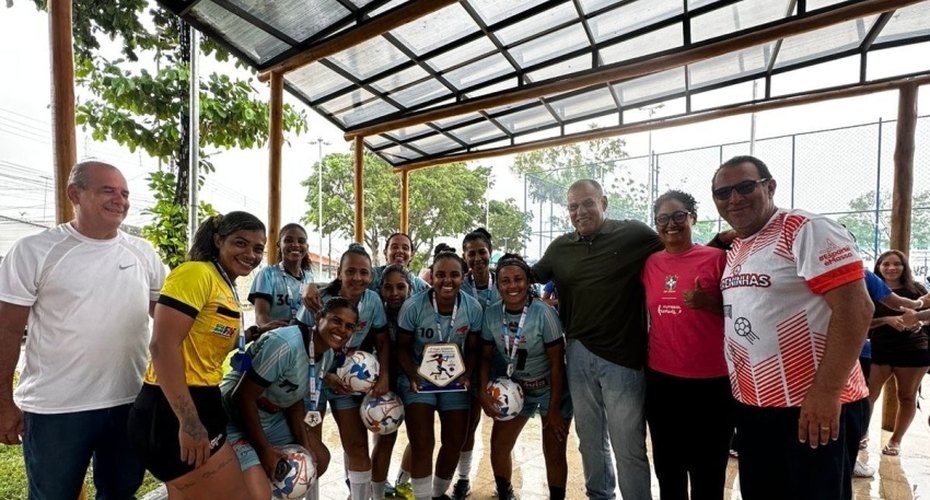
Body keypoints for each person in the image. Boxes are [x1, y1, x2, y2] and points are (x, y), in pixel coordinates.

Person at [0, 161, 166, 499]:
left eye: (125, 193)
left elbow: (167, 320)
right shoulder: (34, 251)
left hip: (128, 401)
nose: (120, 200)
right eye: (108, 190)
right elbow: (6, 330)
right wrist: (3, 401)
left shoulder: (143, 253)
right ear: (74, 193)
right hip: (56, 410)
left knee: (120, 493)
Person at [712, 155, 872, 500]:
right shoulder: (739, 244)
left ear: (770, 187)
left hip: (811, 405)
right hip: (755, 405)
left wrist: (826, 393)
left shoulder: (806, 228)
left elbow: (856, 308)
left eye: (744, 187)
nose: (734, 198)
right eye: (723, 193)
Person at [531, 178, 662, 500]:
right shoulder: (561, 247)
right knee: (589, 440)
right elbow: (528, 276)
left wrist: (719, 241)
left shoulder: (634, 234)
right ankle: (599, 495)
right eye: (573, 206)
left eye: (588, 203)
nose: (580, 211)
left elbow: (676, 249)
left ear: (604, 202)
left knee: (628, 445)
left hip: (623, 359)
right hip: (577, 353)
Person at [127, 211, 268, 499]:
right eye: (240, 243)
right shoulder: (196, 273)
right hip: (173, 408)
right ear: (218, 240)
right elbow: (162, 346)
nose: (250, 254)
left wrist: (252, 334)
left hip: (201, 402)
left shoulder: (222, 283)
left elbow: (203, 339)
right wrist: (189, 423)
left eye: (258, 248)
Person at [640, 190, 733, 500]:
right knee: (668, 468)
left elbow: (745, 311)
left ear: (693, 217)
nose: (671, 224)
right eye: (663, 219)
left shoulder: (718, 259)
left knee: (708, 469)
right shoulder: (650, 264)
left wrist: (711, 303)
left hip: (712, 383)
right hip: (662, 381)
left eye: (679, 216)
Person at [222, 296, 358, 500]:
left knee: (317, 458)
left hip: (271, 417)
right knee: (259, 493)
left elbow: (294, 398)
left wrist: (304, 444)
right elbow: (242, 397)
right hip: (234, 417)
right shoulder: (285, 345)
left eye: (349, 326)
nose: (342, 330)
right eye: (336, 320)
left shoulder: (326, 353)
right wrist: (264, 449)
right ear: (319, 317)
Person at [295, 244, 390, 500]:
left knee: (357, 446)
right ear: (339, 272)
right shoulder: (318, 299)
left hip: (348, 383)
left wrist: (384, 376)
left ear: (371, 276)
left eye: (364, 272)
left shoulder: (372, 301)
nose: (357, 278)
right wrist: (326, 375)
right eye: (351, 271)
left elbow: (382, 341)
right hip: (313, 379)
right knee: (311, 448)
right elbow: (301, 337)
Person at [478, 253, 571, 500]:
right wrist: (482, 392)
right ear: (497, 285)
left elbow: (557, 365)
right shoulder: (492, 314)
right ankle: (505, 491)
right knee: (499, 445)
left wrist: (553, 411)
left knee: (554, 450)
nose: (512, 286)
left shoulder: (544, 314)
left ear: (528, 281)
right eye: (505, 281)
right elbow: (485, 357)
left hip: (551, 387)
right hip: (516, 388)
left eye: (518, 279)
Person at [396, 250, 483, 500]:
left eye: (454, 274)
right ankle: (422, 497)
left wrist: (468, 375)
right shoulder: (413, 306)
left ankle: (436, 494)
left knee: (454, 441)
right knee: (422, 444)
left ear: (463, 276)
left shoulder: (472, 307)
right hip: (420, 382)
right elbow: (401, 346)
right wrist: (412, 375)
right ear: (431, 277)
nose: (447, 281)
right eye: (441, 274)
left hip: (455, 382)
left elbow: (475, 348)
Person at [865, 250, 930, 457]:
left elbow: (924, 316)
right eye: (886, 264)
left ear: (905, 267)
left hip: (913, 349)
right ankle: (862, 433)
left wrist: (919, 320)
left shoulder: (916, 289)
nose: (891, 268)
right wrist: (887, 320)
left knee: (907, 396)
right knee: (868, 395)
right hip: (879, 348)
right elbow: (861, 322)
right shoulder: (870, 289)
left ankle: (896, 440)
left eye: (896, 264)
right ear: (879, 267)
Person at [451, 227, 501, 499]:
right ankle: (463, 478)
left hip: (502, 365)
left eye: (482, 252)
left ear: (490, 253)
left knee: (504, 425)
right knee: (469, 425)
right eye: (471, 253)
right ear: (464, 256)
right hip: (468, 365)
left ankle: (502, 479)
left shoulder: (504, 282)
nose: (477, 258)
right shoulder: (459, 284)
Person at [370, 264, 414, 499]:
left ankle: (402, 482)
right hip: (384, 383)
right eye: (388, 287)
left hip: (411, 382)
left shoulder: (417, 310)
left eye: (400, 287)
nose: (394, 293)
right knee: (386, 438)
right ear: (381, 289)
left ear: (410, 288)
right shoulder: (377, 313)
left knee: (419, 438)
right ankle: (376, 492)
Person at [248, 223, 314, 328]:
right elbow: (261, 316)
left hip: (302, 339)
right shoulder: (267, 274)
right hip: (276, 338)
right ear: (279, 244)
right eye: (288, 240)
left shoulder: (310, 279)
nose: (296, 244)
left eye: (301, 241)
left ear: (307, 246)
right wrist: (281, 334)